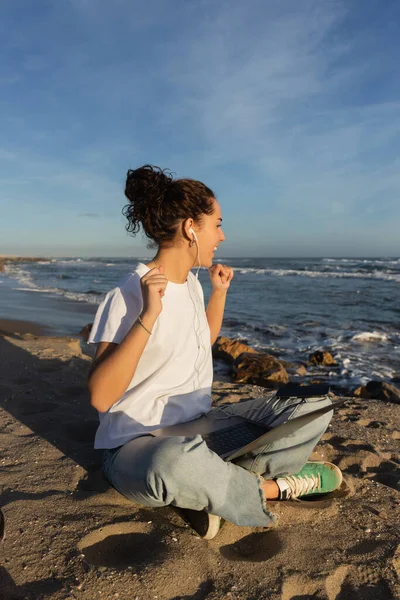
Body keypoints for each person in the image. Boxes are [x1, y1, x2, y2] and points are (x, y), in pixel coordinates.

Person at [87, 165, 342, 539]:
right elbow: (100, 396)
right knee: (171, 464)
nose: (221, 236)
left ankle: (205, 491)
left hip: (202, 428)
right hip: (138, 447)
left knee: (313, 404)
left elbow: (199, 345)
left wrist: (218, 292)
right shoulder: (125, 296)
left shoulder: (190, 283)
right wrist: (148, 315)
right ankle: (273, 488)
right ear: (192, 227)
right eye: (217, 224)